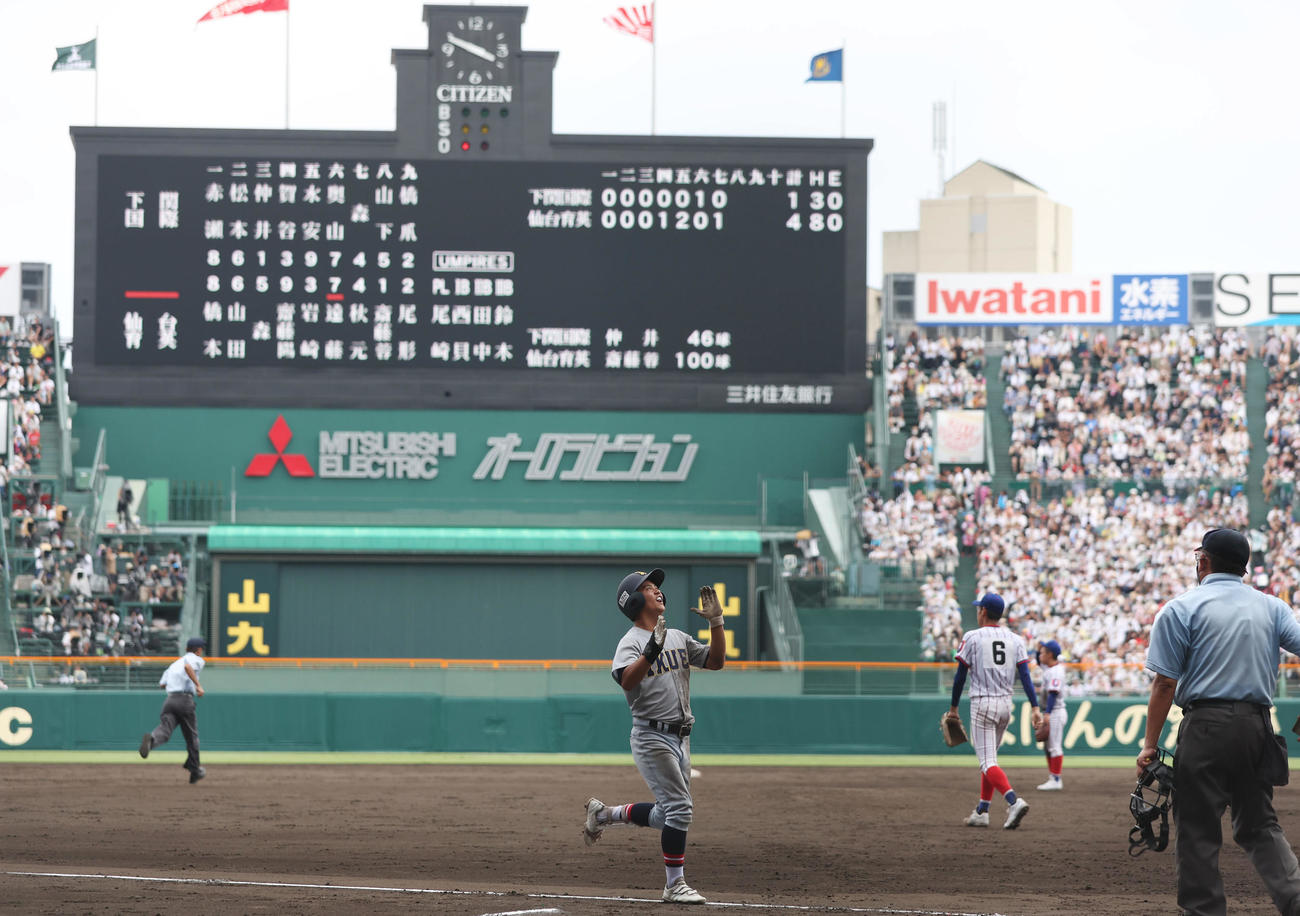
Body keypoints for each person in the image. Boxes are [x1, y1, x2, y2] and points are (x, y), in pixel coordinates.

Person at [1140, 528, 1300, 915]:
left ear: (1204, 560)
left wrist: (1149, 744)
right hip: (1258, 727)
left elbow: (1164, 683)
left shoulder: (1181, 608)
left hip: (1205, 727)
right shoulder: (1272, 607)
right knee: (1259, 825)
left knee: (1197, 830)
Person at [582, 568, 726, 904]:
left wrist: (716, 622)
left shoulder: (674, 635)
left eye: (657, 587)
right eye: (648, 588)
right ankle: (674, 884)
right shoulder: (630, 643)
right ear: (633, 601)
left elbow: (716, 661)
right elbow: (627, 681)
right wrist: (650, 650)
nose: (657, 591)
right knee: (680, 809)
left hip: (681, 737)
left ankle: (603, 815)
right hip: (651, 736)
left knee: (667, 814)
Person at [949, 592, 1043, 829]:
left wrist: (953, 708)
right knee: (990, 760)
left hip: (982, 703)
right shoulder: (1015, 639)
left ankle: (1013, 801)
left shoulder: (972, 637)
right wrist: (1034, 707)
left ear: (982, 611)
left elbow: (960, 676)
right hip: (1005, 706)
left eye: (979, 608)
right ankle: (982, 810)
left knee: (987, 762)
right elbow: (1025, 676)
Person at [139, 636, 207, 783]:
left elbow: (162, 684)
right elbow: (188, 667)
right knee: (192, 737)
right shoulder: (196, 659)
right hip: (185, 700)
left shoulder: (174, 664)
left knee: (164, 730)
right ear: (199, 650)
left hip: (170, 700)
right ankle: (195, 770)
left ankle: (151, 740)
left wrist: (176, 681)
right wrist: (198, 685)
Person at [1036, 639, 1067, 791]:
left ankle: (1056, 779)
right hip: (1051, 711)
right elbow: (1038, 661)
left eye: (1043, 652)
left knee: (1055, 747)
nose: (1040, 654)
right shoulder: (1049, 668)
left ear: (1049, 654)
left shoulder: (1056, 671)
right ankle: (1052, 777)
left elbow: (1053, 693)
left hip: (1055, 711)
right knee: (1048, 748)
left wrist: (1047, 713)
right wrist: (1038, 649)